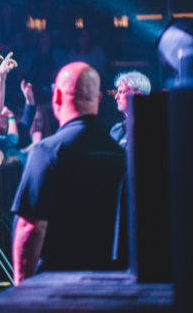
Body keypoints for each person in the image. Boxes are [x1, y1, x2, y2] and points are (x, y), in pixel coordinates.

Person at [11, 62, 126, 284]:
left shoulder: (46, 151)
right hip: (109, 282)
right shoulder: (118, 153)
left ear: (56, 97)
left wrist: (22, 287)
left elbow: (31, 227)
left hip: (57, 283)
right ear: (98, 98)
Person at [110, 70, 151, 148]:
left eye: (121, 92)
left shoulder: (152, 131)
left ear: (137, 96)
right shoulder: (115, 131)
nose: (116, 97)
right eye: (117, 92)